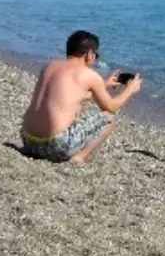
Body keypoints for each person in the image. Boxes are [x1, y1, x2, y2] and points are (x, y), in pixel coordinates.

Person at [20, 30, 142, 163]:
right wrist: (130, 89)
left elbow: (68, 95)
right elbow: (111, 107)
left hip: (28, 140)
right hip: (55, 146)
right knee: (109, 118)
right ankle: (79, 157)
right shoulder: (88, 74)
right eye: (96, 54)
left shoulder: (49, 66)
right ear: (89, 54)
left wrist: (104, 84)